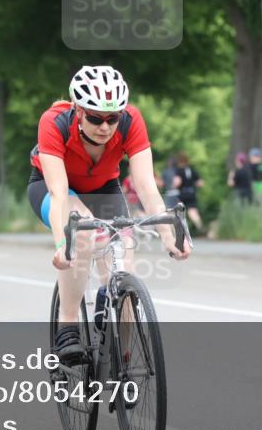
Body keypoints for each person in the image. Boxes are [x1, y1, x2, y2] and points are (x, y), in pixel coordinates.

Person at [27, 65, 190, 363]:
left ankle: (122, 361)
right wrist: (63, 245)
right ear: (77, 110)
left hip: (104, 188)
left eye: (112, 118)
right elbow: (60, 192)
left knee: (123, 272)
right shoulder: (54, 122)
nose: (105, 127)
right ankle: (67, 326)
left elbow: (145, 184)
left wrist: (168, 235)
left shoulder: (131, 120)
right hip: (55, 190)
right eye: (95, 118)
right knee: (85, 232)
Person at [173, 152, 205, 232]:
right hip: (192, 193)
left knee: (179, 212)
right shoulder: (192, 170)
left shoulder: (179, 171)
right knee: (192, 211)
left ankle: (180, 230)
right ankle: (200, 226)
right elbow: (200, 183)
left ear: (179, 161)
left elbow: (177, 182)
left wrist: (174, 185)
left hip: (183, 194)